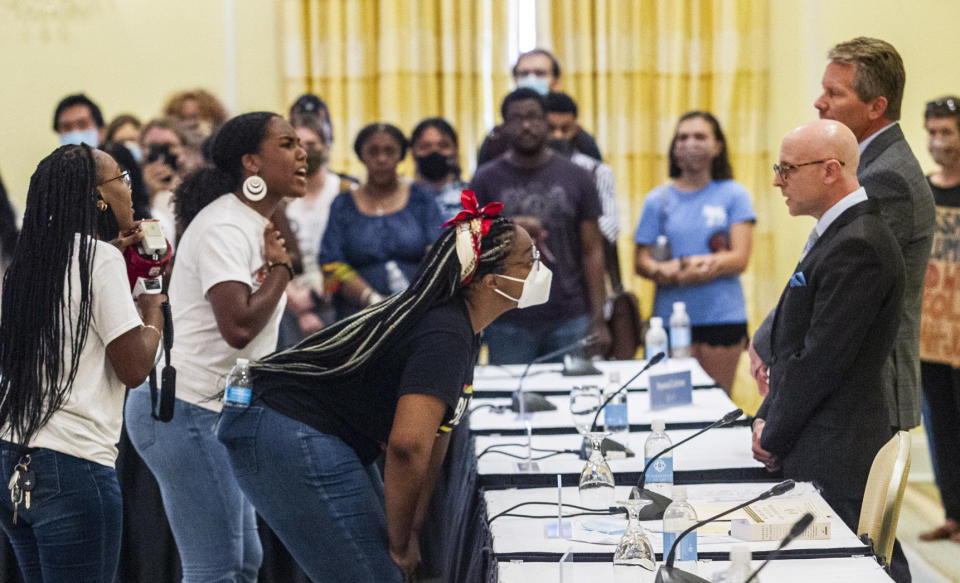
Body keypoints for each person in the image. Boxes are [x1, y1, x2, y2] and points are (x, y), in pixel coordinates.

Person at [218, 193, 541, 581]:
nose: (539, 269)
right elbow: (407, 447)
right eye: (530, 261)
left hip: (306, 426)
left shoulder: (463, 327)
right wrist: (400, 544)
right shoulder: (445, 332)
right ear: (492, 280)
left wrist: (411, 532)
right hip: (282, 424)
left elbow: (437, 437)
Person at [124, 111, 306, 582]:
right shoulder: (226, 226)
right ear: (251, 163)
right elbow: (239, 326)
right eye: (286, 144)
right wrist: (283, 270)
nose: (302, 151)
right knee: (217, 569)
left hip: (212, 410)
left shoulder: (249, 222)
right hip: (181, 413)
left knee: (243, 562)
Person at [752, 38, 935, 435]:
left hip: (869, 391)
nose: (819, 102)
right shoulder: (868, 163)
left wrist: (767, 342)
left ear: (876, 107)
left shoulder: (887, 176)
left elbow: (838, 288)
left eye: (835, 93)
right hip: (850, 387)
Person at [0, 145, 165, 582]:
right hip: (72, 468)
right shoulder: (100, 261)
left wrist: (110, 252)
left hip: (11, 457)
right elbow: (134, 368)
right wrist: (153, 305)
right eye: (122, 180)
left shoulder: (28, 264)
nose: (130, 189)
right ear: (98, 197)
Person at [752, 119, 904, 548]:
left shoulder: (859, 244)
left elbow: (821, 359)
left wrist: (773, 431)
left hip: (837, 443)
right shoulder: (838, 234)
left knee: (859, 564)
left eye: (787, 169)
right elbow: (794, 346)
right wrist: (767, 413)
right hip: (820, 432)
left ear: (830, 169)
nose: (778, 182)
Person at [471, 88, 610, 362]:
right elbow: (471, 249)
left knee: (573, 401)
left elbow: (592, 250)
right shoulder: (484, 180)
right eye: (517, 119)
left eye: (533, 117)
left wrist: (599, 319)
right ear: (504, 126)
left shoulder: (578, 177)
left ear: (546, 121)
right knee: (512, 402)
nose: (526, 126)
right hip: (506, 319)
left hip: (570, 317)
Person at [633, 111, 755, 393]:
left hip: (722, 317)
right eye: (683, 137)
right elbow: (641, 261)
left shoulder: (734, 195)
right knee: (669, 402)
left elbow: (740, 257)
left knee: (716, 402)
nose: (691, 143)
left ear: (717, 147)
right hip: (666, 321)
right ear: (674, 148)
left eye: (700, 137)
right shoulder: (657, 200)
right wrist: (668, 273)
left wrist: (693, 264)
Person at [319, 122, 442, 320]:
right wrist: (370, 298)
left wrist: (416, 297)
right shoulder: (342, 204)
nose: (381, 159)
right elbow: (331, 263)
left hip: (419, 311)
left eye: (389, 151)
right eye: (373, 152)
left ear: (401, 155)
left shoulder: (422, 198)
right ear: (361, 156)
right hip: (358, 316)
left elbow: (438, 252)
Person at [917, 96, 960, 544]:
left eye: (947, 131)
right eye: (932, 131)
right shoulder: (923, 189)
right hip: (930, 331)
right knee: (940, 426)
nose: (937, 141)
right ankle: (952, 512)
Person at [280, 107, 357, 344]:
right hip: (291, 304)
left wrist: (317, 297)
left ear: (326, 147)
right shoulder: (280, 198)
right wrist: (299, 306)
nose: (304, 152)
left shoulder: (347, 192)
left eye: (312, 144)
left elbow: (353, 252)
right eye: (297, 145)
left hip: (338, 301)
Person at [476, 48, 602, 166]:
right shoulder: (497, 138)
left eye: (539, 73)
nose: (531, 78)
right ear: (515, 79)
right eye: (524, 74)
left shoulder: (577, 137)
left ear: (556, 80)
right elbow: (475, 185)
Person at [544, 92, 621, 278]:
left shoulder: (596, 171)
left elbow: (610, 227)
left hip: (582, 272)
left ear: (576, 129)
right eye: (551, 128)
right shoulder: (525, 171)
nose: (558, 136)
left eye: (565, 129)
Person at [410, 117, 468, 218]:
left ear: (455, 150)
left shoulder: (472, 195)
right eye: (425, 146)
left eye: (443, 145)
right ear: (413, 152)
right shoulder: (403, 200)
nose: (434, 152)